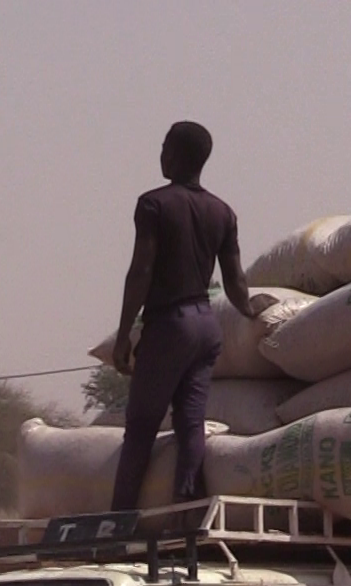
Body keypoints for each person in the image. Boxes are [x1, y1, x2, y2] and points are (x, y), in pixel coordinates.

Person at [109, 121, 274, 511]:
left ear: (179, 155)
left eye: (164, 146)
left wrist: (123, 336)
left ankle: (117, 521)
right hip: (206, 325)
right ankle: (186, 507)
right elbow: (235, 280)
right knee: (190, 425)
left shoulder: (153, 204)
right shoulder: (223, 212)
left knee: (141, 428)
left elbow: (141, 272)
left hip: (170, 324)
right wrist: (249, 311)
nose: (160, 154)